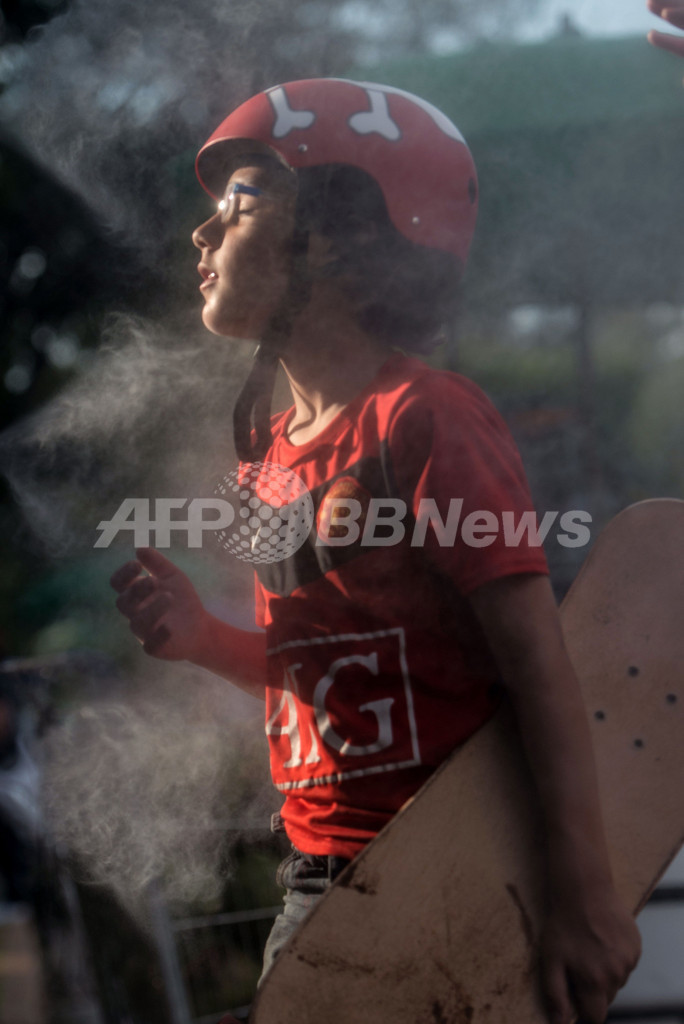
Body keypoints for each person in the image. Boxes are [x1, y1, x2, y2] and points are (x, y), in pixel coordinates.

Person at [110, 80, 640, 1024]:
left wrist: (585, 900)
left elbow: (538, 668)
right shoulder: (272, 454)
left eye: (237, 206)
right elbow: (318, 677)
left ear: (344, 245)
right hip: (316, 894)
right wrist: (205, 639)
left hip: (451, 874)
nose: (201, 237)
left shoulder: (425, 418)